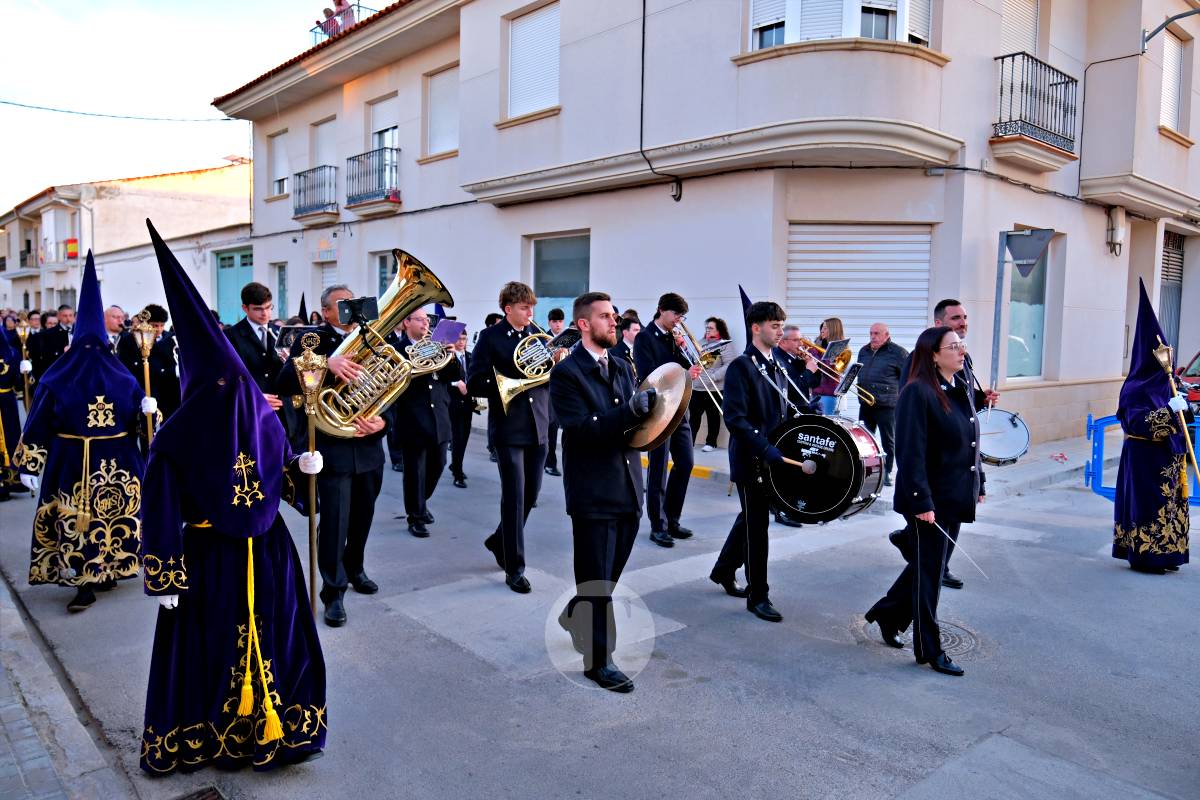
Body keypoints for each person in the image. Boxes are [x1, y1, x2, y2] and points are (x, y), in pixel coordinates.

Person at [138, 220, 326, 774]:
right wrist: (164, 577)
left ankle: (275, 736)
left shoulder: (256, 419)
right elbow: (162, 507)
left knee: (274, 641)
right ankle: (217, 738)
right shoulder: (179, 433)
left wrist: (303, 468)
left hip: (262, 553)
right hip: (208, 558)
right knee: (212, 648)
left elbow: (280, 474)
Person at [13, 254, 149, 612]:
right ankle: (83, 582)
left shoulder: (72, 373)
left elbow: (141, 419)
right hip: (80, 460)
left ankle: (109, 569)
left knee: (111, 517)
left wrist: (151, 411)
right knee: (80, 521)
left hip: (100, 458)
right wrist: (29, 463)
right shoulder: (107, 374)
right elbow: (41, 417)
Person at [864, 326, 984, 677]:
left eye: (962, 344)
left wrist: (980, 480)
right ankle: (929, 649)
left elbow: (969, 439)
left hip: (954, 493)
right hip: (929, 499)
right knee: (930, 575)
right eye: (953, 346)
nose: (962, 351)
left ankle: (888, 613)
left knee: (927, 566)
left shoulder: (958, 386)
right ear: (933, 354)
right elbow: (910, 452)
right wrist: (920, 501)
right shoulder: (918, 392)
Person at [551, 292, 652, 693]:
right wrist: (631, 412)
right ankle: (599, 661)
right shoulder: (567, 373)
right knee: (596, 581)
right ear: (583, 324)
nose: (615, 322)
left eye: (614, 316)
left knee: (608, 577)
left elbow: (632, 425)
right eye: (606, 317)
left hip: (627, 485)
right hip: (593, 490)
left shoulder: (622, 364)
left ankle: (577, 611)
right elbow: (581, 431)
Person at [275, 284, 389, 627]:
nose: (349, 308)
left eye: (352, 302)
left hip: (368, 446)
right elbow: (285, 382)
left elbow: (393, 386)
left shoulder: (373, 337)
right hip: (333, 446)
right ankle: (333, 592)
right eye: (341, 304)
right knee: (336, 521)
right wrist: (326, 363)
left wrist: (384, 422)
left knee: (362, 516)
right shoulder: (312, 340)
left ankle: (354, 568)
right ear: (325, 312)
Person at [896, 299, 998, 590]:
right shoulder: (919, 365)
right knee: (929, 561)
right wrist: (920, 495)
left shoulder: (963, 359)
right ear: (938, 324)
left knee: (934, 556)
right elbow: (920, 411)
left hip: (957, 472)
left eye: (964, 317)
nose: (963, 322)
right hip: (934, 474)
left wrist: (980, 399)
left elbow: (957, 403)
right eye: (955, 318)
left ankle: (891, 610)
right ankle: (924, 571)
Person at [466, 282, 553, 594]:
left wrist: (557, 361)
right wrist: (509, 382)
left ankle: (498, 540)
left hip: (539, 425)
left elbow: (547, 375)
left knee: (531, 495)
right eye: (524, 307)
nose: (530, 313)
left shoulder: (537, 334)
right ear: (508, 309)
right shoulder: (490, 337)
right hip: (508, 427)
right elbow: (474, 381)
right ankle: (515, 567)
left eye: (531, 307)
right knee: (514, 497)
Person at [710, 300, 790, 622]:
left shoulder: (777, 363)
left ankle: (723, 569)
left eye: (782, 325)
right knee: (758, 528)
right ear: (756, 328)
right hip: (752, 460)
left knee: (751, 518)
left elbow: (783, 410)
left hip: (771, 457)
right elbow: (736, 419)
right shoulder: (743, 367)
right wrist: (766, 449)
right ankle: (758, 595)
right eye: (775, 325)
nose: (780, 330)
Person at [1112, 281, 1192, 574]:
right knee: (1149, 506)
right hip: (1146, 459)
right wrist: (1167, 413)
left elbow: (1184, 417)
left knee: (1172, 508)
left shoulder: (1167, 382)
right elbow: (1134, 421)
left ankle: (1170, 554)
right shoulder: (1134, 387)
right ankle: (1147, 557)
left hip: (1170, 457)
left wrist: (1185, 407)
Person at [634, 293, 702, 547]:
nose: (679, 321)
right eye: (676, 315)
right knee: (658, 469)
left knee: (685, 462)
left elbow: (690, 366)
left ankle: (673, 518)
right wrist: (683, 372)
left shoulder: (676, 339)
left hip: (680, 408)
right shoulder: (644, 338)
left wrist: (686, 351)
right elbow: (648, 376)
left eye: (682, 316)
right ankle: (657, 524)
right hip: (659, 410)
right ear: (662, 310)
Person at [388, 307, 454, 537]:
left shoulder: (439, 346)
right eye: (420, 320)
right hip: (412, 418)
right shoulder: (396, 351)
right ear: (406, 323)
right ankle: (415, 516)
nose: (426, 324)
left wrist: (451, 355)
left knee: (439, 464)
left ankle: (421, 502)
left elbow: (454, 375)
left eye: (427, 320)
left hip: (440, 417)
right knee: (415, 471)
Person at [856, 322, 908, 487]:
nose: (873, 336)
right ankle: (867, 471)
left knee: (888, 441)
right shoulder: (863, 351)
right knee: (864, 440)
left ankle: (887, 472)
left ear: (887, 335)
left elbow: (907, 377)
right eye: (871, 333)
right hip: (865, 403)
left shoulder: (898, 352)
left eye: (877, 333)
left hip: (887, 405)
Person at [225, 283, 285, 412]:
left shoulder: (281, 333)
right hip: (250, 410)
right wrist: (255, 397)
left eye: (268, 307)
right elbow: (227, 377)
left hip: (283, 412)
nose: (265, 313)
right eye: (258, 309)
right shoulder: (230, 336)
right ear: (245, 308)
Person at [118, 304, 181, 422]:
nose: (159, 329)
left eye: (162, 325)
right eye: (155, 325)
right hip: (142, 389)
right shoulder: (130, 340)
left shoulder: (170, 339)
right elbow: (128, 367)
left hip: (168, 393)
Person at [688, 316, 731, 453]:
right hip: (697, 387)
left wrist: (715, 376)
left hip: (714, 388)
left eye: (711, 328)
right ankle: (690, 441)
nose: (708, 330)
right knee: (693, 417)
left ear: (719, 330)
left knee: (713, 416)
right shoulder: (700, 343)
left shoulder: (725, 344)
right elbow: (693, 360)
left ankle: (711, 443)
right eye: (707, 327)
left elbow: (730, 363)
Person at [448, 329, 474, 488]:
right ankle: (457, 473)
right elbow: (442, 379)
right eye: (458, 339)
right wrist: (456, 383)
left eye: (464, 339)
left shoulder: (471, 356)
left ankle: (456, 464)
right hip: (453, 403)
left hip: (468, 404)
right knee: (457, 439)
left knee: (464, 438)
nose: (461, 342)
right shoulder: (448, 357)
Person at [0, 328, 23, 501]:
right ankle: (7, 482)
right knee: (9, 437)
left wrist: (24, 374)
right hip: (7, 401)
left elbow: (20, 384)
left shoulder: (14, 353)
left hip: (6, 402)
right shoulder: (13, 353)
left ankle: (9, 481)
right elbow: (18, 384)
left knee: (9, 437)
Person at [544, 307, 566, 477]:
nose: (558, 325)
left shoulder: (568, 338)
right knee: (550, 426)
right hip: (547, 387)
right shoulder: (543, 338)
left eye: (560, 322)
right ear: (549, 323)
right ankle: (550, 462)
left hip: (563, 388)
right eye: (555, 322)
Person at [27, 304, 74, 381]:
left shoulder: (77, 331)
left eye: (71, 315)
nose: (68, 319)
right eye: (65, 316)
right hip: (55, 374)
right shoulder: (43, 336)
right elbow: (39, 359)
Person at [810, 317, 845, 415]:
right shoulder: (818, 344)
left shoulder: (839, 348)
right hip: (815, 391)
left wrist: (813, 351)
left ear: (833, 330)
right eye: (822, 328)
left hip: (828, 393)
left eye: (825, 328)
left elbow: (828, 367)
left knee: (825, 425)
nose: (822, 330)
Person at [610, 316, 641, 382]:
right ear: (625, 333)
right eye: (636, 330)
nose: (639, 333)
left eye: (639, 330)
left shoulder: (641, 350)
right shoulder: (615, 353)